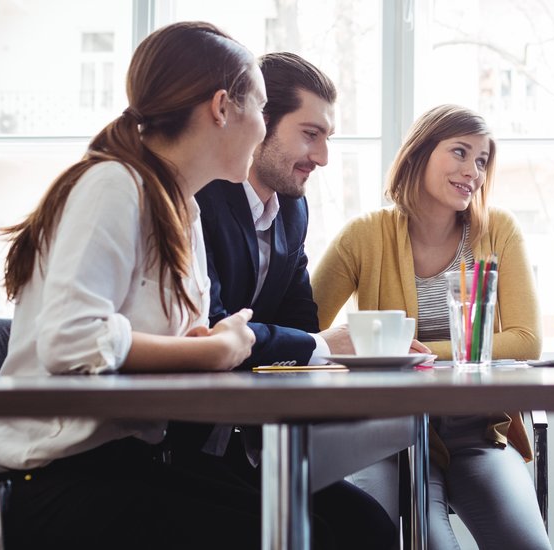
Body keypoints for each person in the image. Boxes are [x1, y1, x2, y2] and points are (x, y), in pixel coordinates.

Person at [0, 22, 269, 549]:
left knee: (314, 526)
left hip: (124, 466)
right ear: (222, 107)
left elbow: (155, 342)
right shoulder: (113, 184)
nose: (264, 127)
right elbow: (71, 341)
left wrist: (199, 343)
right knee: (274, 533)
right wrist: (213, 351)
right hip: (46, 483)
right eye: (261, 107)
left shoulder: (183, 208)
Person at [166, 51, 395, 548]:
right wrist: (322, 345)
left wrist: (337, 348)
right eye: (310, 134)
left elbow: (299, 319)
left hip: (254, 447)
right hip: (182, 448)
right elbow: (215, 325)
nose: (323, 157)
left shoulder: (292, 209)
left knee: (372, 529)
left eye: (327, 138)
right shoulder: (199, 199)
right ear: (260, 121)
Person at [311, 104, 549, 550]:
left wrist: (411, 353)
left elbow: (526, 341)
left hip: (474, 433)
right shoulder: (363, 235)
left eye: (481, 160)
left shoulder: (498, 230)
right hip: (383, 433)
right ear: (419, 152)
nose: (472, 171)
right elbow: (302, 333)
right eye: (459, 153)